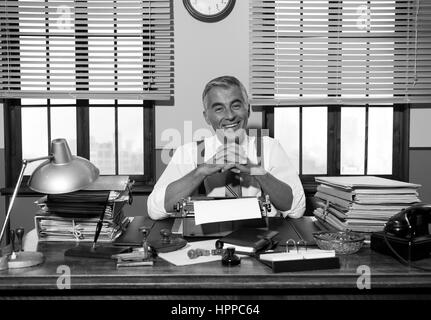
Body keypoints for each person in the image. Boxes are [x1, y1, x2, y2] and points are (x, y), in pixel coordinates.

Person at [147, 76, 305, 220]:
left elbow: (296, 209)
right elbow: (155, 210)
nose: (229, 116)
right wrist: (201, 171)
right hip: (204, 241)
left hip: (259, 236)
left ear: (247, 109)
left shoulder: (269, 147)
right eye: (218, 109)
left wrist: (255, 170)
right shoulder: (188, 152)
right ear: (206, 117)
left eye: (236, 106)